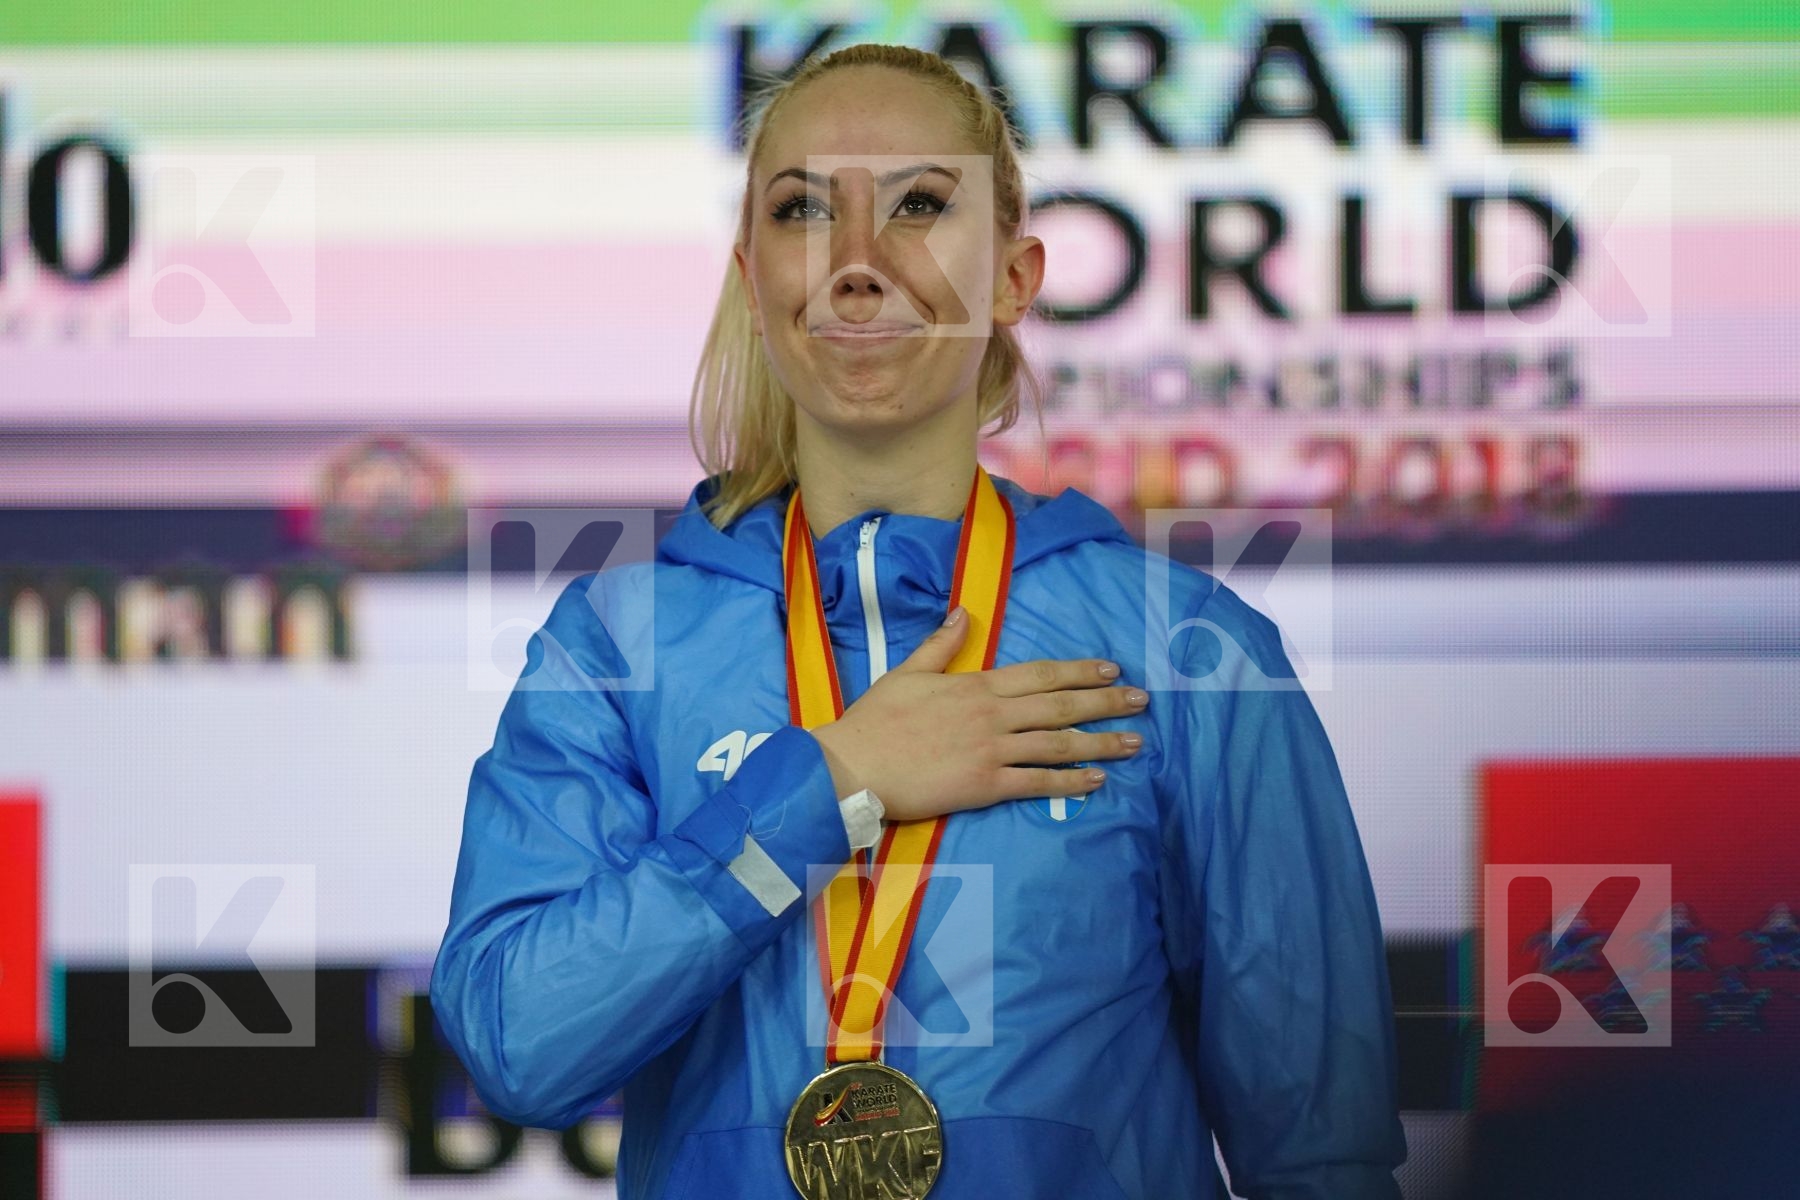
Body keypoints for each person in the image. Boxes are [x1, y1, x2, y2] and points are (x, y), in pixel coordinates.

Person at [430, 41, 1406, 1200]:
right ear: (753, 277)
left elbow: (1323, 1157)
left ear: (1014, 278)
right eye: (804, 211)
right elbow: (517, 1046)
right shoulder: (615, 648)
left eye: (921, 204)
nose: (856, 264)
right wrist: (830, 781)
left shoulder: (1187, 655)